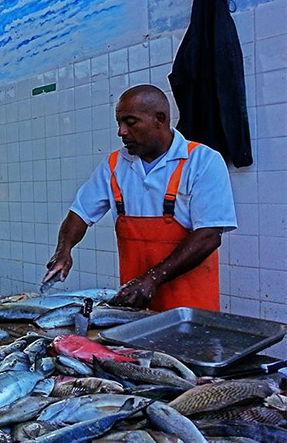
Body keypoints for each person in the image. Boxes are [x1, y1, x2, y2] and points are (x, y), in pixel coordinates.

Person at [43, 85, 236, 312]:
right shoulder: (114, 165)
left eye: (130, 122)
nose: (121, 132)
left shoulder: (202, 161)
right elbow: (80, 213)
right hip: (135, 306)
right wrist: (64, 250)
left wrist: (152, 279)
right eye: (119, 123)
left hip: (191, 310)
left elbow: (209, 236)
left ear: (160, 119)